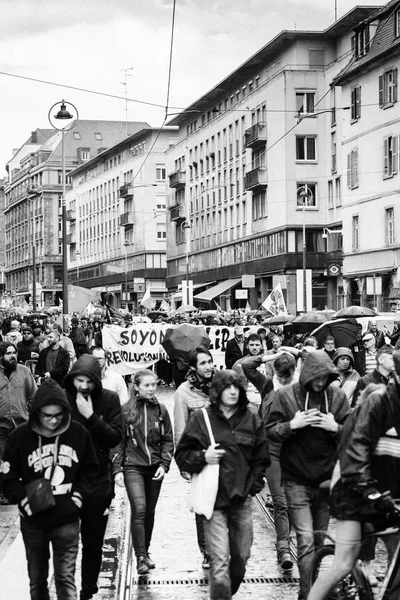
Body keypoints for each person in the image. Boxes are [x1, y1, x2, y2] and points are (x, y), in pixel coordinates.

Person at [307, 352, 400, 600]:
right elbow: (355, 451)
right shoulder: (378, 403)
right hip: (353, 487)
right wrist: (367, 490)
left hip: (389, 493)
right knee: (344, 563)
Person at [175, 369, 270, 600]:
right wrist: (202, 457)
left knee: (241, 559)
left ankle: (224, 594)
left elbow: (262, 457)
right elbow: (182, 455)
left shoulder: (251, 419)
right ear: (217, 391)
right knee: (218, 566)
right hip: (213, 500)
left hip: (241, 500)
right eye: (227, 387)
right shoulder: (202, 419)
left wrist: (253, 485)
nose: (232, 392)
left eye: (236, 387)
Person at [0, 379, 98, 600]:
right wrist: (21, 499)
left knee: (65, 579)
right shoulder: (20, 437)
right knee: (37, 581)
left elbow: (90, 470)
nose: (53, 421)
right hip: (33, 521)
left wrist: (78, 498)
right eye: (47, 415)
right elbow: (8, 476)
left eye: (58, 415)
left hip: (66, 520)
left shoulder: (78, 433)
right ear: (36, 412)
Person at [266, 350, 350, 600]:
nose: (320, 383)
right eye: (316, 378)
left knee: (318, 543)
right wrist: (293, 425)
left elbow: (353, 433)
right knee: (304, 540)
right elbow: (269, 431)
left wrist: (335, 428)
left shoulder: (338, 396)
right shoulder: (285, 395)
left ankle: (313, 591)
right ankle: (307, 595)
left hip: (325, 479)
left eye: (325, 378)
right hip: (296, 478)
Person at [64, 355, 122, 600]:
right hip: (66, 482)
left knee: (93, 543)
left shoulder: (109, 399)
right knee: (64, 543)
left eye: (89, 381)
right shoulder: (63, 399)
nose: (84, 386)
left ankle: (87, 591)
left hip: (98, 482)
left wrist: (90, 416)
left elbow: (115, 437)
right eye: (79, 380)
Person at [114, 369, 173, 574]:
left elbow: (168, 441)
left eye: (153, 385)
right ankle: (139, 556)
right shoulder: (125, 411)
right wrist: (117, 470)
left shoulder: (161, 410)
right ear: (136, 387)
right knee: (139, 509)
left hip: (154, 467)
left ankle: (145, 551)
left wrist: (164, 465)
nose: (151, 389)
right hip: (133, 466)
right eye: (146, 385)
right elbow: (118, 443)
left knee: (149, 512)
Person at [242, 351, 298, 570]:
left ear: (293, 371)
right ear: (275, 371)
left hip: (295, 452)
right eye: (281, 374)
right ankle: (283, 547)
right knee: (281, 501)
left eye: (287, 374)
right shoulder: (267, 386)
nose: (283, 378)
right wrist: (269, 356)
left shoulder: (302, 386)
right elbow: (247, 365)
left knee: (294, 502)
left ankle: (287, 540)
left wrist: (299, 352)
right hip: (272, 451)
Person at [173, 345, 214, 568]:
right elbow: (180, 429)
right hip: (199, 456)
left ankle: (222, 545)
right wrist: (183, 462)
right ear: (193, 367)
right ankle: (207, 550)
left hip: (223, 454)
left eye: (210, 361)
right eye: (203, 363)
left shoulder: (222, 384)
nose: (208, 366)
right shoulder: (183, 392)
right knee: (202, 504)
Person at [0, 342, 37, 460]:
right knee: (4, 462)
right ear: (1, 356)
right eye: (8, 353)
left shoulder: (24, 371)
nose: (13, 356)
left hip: (22, 425)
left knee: (23, 460)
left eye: (14, 353)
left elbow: (34, 396)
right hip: (2, 428)